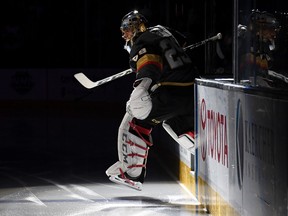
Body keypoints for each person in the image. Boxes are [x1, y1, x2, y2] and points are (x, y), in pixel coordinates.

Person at [105, 10, 199, 190]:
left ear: (137, 27)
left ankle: (131, 174)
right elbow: (183, 43)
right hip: (192, 90)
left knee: (135, 119)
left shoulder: (141, 41)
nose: (124, 34)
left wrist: (140, 90)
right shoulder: (162, 30)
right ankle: (200, 146)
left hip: (172, 90)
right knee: (172, 122)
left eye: (127, 29)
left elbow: (150, 67)